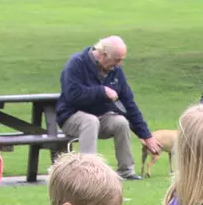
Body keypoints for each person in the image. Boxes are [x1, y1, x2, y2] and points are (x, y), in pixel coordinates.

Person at [57, 36, 162, 181]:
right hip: (72, 117)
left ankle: (126, 171)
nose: (120, 64)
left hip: (100, 118)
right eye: (117, 59)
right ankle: (88, 173)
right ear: (103, 55)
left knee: (121, 122)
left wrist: (146, 136)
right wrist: (102, 91)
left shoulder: (115, 70)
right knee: (90, 121)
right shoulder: (77, 63)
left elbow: (128, 104)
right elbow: (73, 95)